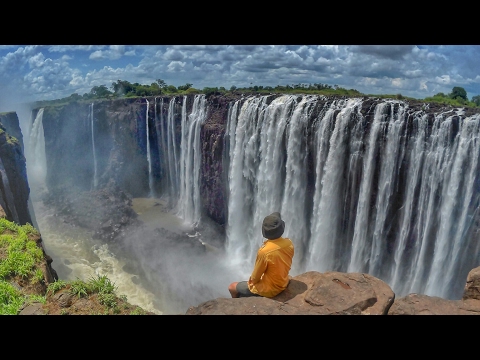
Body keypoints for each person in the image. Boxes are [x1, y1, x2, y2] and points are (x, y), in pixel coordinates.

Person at [228, 212, 294, 298]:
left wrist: (251, 284)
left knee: (232, 287)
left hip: (270, 290)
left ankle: (236, 305)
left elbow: (255, 278)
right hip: (283, 282)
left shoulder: (264, 251)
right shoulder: (289, 243)